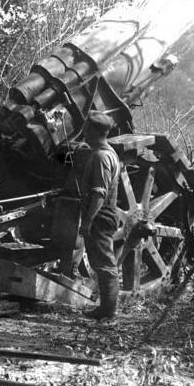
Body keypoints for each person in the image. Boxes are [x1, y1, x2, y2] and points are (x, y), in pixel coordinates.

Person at [78, 111, 121, 322]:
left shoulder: (101, 157)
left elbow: (98, 193)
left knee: (105, 265)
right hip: (104, 215)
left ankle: (108, 312)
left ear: (93, 131)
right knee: (102, 263)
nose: (83, 132)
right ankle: (105, 309)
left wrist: (87, 220)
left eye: (86, 129)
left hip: (100, 216)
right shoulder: (109, 153)